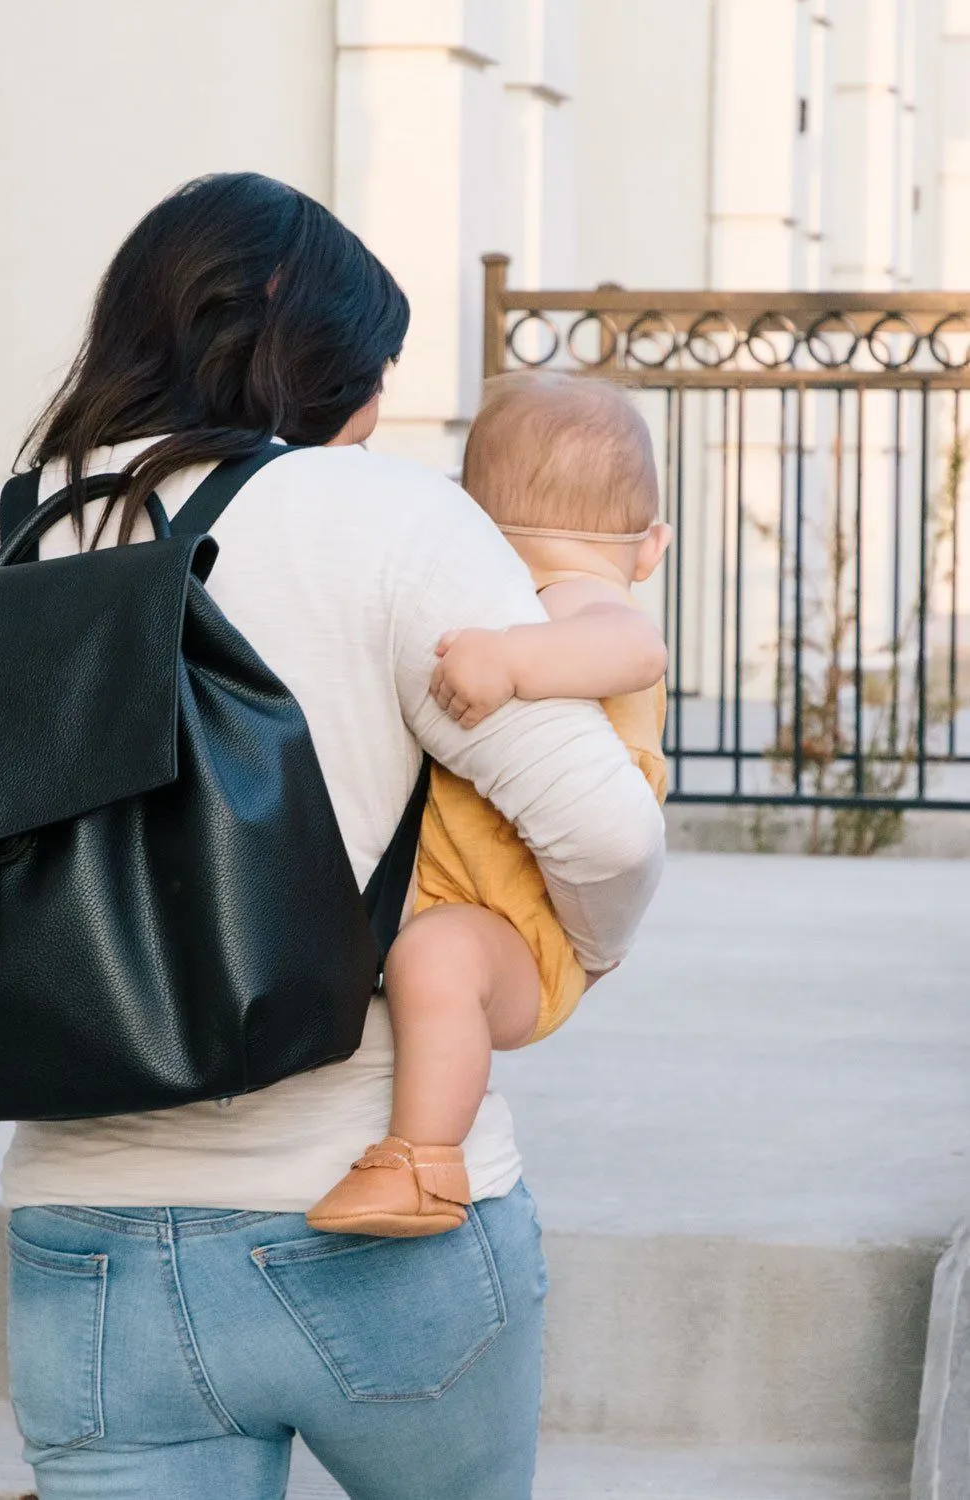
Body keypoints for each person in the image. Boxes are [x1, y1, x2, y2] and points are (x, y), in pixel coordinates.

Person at [0, 174, 665, 1500]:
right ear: (325, 370)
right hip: (377, 1226)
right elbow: (606, 829)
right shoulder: (385, 518)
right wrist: (566, 965)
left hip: (86, 1243)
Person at [306, 372, 671, 1239]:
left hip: (530, 928)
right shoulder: (523, 600)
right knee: (420, 952)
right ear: (653, 544)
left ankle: (424, 1165)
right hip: (475, 890)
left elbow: (635, 644)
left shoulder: (577, 599)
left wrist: (512, 659)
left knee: (437, 960)